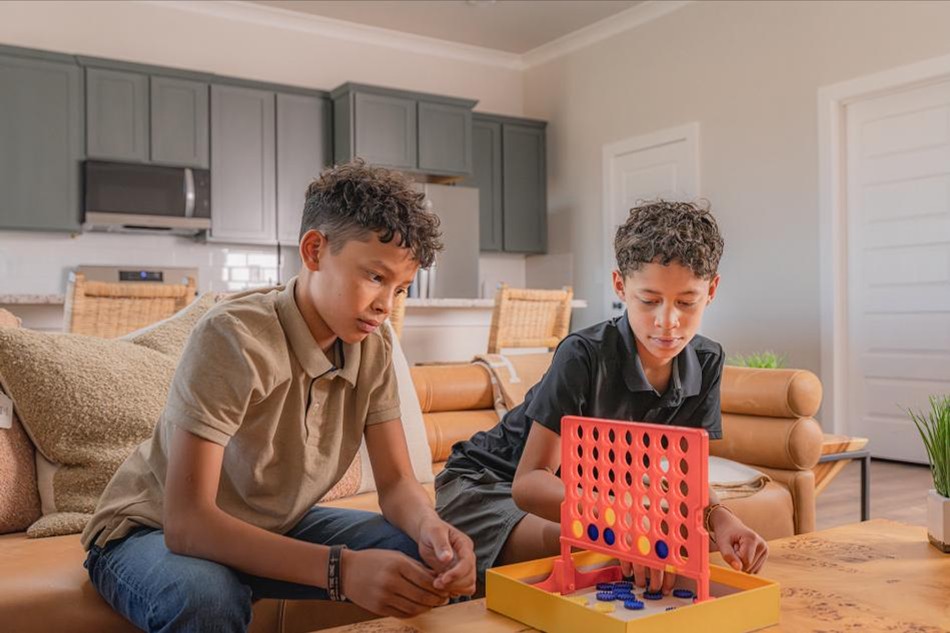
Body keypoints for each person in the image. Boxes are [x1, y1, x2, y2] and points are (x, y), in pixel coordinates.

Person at [81, 160, 476, 632]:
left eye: (400, 287)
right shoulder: (234, 336)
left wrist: (431, 529)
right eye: (374, 277)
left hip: (274, 527)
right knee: (206, 597)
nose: (385, 305)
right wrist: (340, 570)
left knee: (428, 560)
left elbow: (396, 485)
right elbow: (188, 523)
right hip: (152, 531)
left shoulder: (375, 344)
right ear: (314, 250)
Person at [436, 200, 768, 593]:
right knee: (596, 552)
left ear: (711, 291)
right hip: (485, 484)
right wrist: (625, 523)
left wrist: (719, 517)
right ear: (619, 286)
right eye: (648, 300)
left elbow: (684, 477)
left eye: (686, 301)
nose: (667, 321)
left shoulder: (706, 359)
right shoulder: (583, 354)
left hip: (590, 501)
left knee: (663, 552)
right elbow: (529, 484)